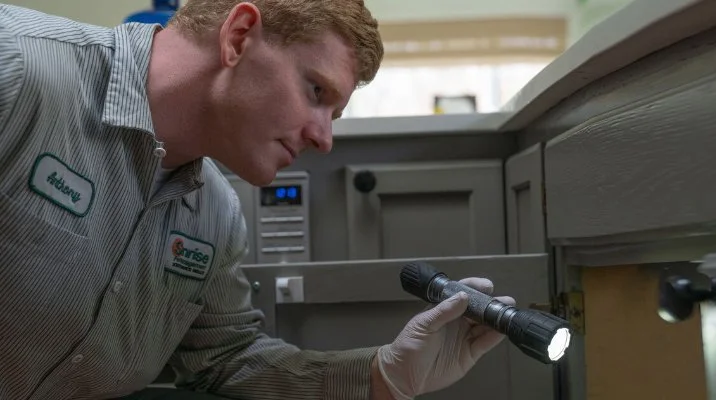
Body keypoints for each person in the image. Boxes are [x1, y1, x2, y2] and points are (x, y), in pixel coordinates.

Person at [0, 1, 515, 400]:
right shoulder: (18, 69)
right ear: (239, 35)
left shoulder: (215, 215)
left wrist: (385, 374)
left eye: (335, 115)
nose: (324, 139)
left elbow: (227, 360)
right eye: (317, 92)